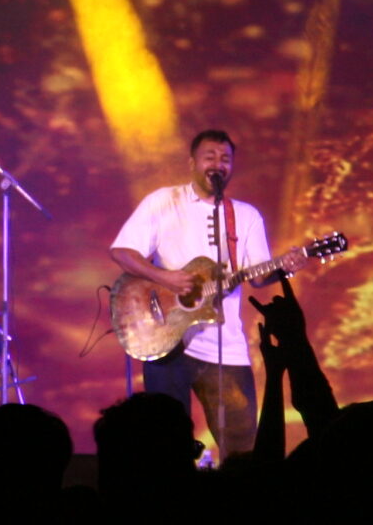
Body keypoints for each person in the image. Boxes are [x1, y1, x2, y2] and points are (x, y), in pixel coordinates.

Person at [108, 129, 272, 459]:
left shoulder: (245, 216)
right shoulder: (164, 201)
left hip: (226, 348)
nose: (218, 164)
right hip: (168, 341)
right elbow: (122, 252)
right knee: (164, 449)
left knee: (243, 451)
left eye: (225, 159)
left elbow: (259, 276)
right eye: (210, 157)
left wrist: (286, 265)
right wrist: (164, 277)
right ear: (192, 163)